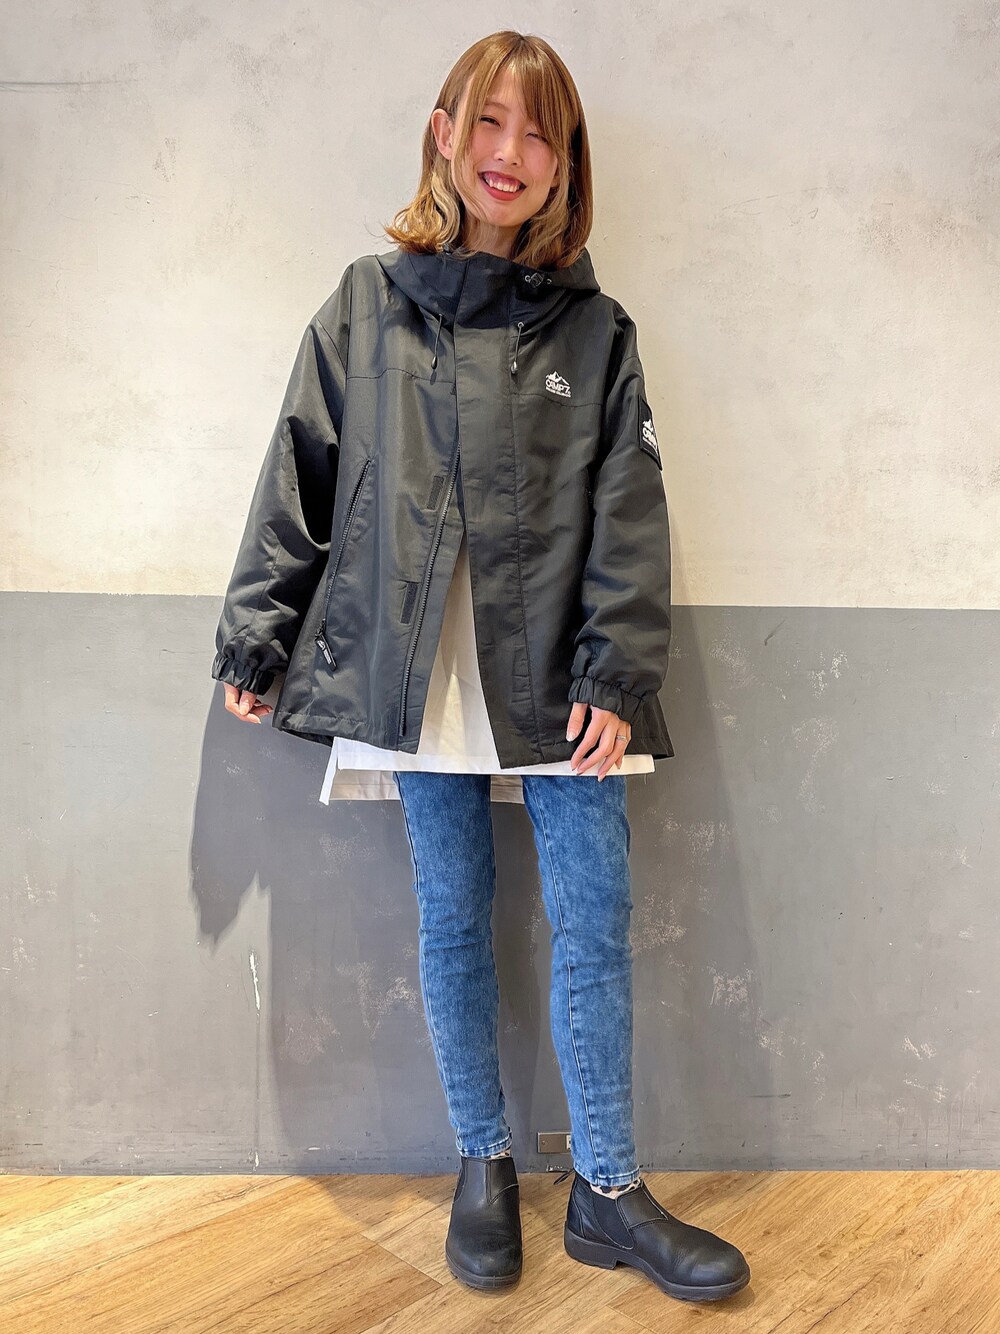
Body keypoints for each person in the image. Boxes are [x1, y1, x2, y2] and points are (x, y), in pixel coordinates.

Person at [212, 29, 750, 1306]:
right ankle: (483, 1160)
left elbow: (628, 507)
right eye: (489, 122)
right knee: (452, 916)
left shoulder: (596, 331)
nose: (510, 152)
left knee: (594, 915)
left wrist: (617, 669)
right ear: (444, 134)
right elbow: (301, 468)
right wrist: (257, 631)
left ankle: (608, 1188)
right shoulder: (364, 304)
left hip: (562, 676)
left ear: (565, 165)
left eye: (539, 133)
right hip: (415, 678)